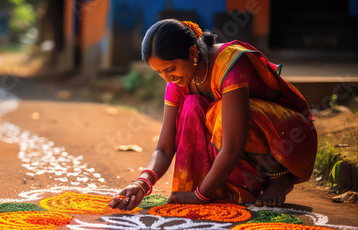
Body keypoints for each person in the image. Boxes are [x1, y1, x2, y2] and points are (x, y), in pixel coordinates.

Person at [109, 19, 317, 211]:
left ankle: (278, 178)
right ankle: (222, 188)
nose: (167, 79)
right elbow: (164, 148)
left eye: (170, 69)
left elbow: (233, 147)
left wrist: (199, 196)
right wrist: (142, 183)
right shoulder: (178, 82)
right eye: (159, 72)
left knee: (219, 111)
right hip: (239, 145)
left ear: (192, 53)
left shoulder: (230, 64)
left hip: (288, 139)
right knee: (192, 105)